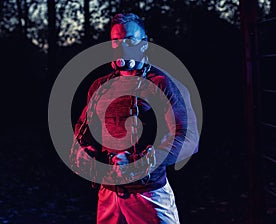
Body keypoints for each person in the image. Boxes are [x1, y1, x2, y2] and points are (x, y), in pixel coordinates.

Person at [70, 13, 199, 224]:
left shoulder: (163, 84)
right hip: (109, 195)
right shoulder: (100, 87)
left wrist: (142, 162)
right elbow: (82, 131)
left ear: (144, 43)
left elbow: (188, 137)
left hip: (149, 194)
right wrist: (90, 156)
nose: (122, 47)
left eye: (130, 40)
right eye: (116, 41)